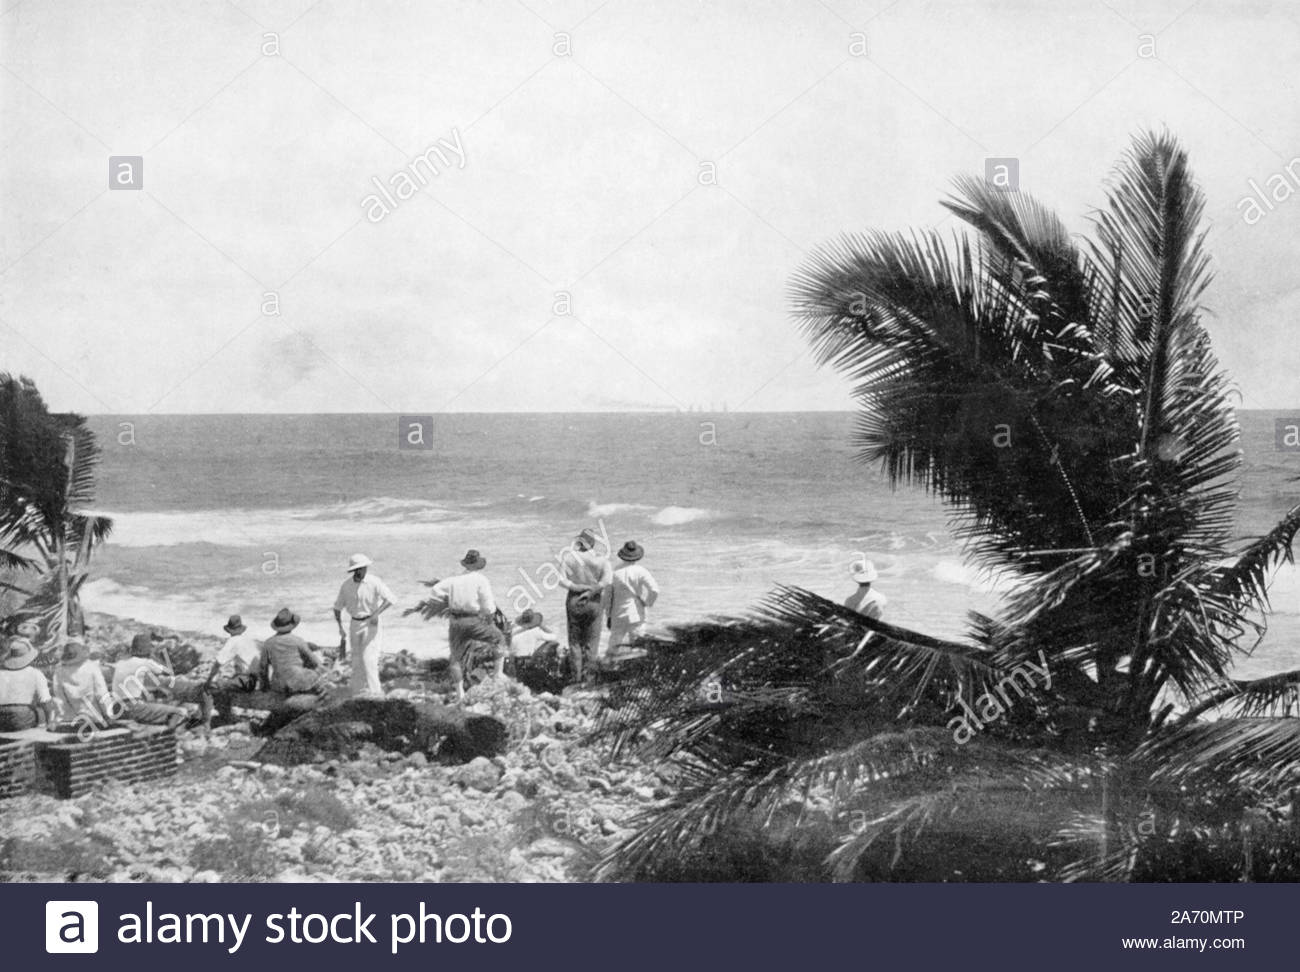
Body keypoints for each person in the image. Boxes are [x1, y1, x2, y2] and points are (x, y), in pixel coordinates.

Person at [429, 549, 503, 702]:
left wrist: (448, 598)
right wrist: (488, 615)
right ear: (477, 565)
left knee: (455, 658)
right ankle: (498, 675)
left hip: (456, 621)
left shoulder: (453, 580)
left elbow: (435, 590)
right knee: (499, 639)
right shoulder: (480, 579)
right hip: (473, 619)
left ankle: (460, 693)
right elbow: (489, 607)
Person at [256, 608, 330, 734]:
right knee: (320, 679)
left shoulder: (268, 643)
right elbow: (315, 663)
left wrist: (264, 686)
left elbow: (262, 669)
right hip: (300, 680)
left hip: (279, 685)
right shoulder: (297, 640)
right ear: (292, 626)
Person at [333, 553, 396, 699]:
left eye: (364, 567)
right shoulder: (346, 585)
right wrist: (340, 627)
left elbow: (391, 599)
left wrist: (376, 613)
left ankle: (376, 693)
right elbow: (337, 607)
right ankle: (356, 693)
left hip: (371, 623)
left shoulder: (374, 582)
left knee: (369, 659)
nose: (363, 570)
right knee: (356, 660)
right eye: (360, 568)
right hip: (354, 623)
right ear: (355, 570)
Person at [558, 527, 612, 681]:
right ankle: (589, 679)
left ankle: (576, 678)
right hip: (594, 600)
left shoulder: (568, 557)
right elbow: (606, 581)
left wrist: (577, 587)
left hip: (574, 599)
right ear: (593, 543)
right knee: (592, 643)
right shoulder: (601, 559)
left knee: (575, 642)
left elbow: (561, 580)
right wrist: (592, 590)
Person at [109, 634, 193, 729]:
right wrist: (153, 655)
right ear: (148, 650)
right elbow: (169, 672)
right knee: (180, 712)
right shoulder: (146, 662)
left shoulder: (121, 663)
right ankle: (166, 738)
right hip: (133, 708)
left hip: (116, 708)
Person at [605, 541, 660, 660]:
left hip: (617, 613)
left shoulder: (615, 571)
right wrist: (647, 603)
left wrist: (608, 615)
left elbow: (608, 595)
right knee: (638, 646)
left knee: (614, 644)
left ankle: (608, 668)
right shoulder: (641, 571)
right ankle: (635, 670)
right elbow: (655, 590)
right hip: (636, 613)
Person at [208, 614, 263, 727]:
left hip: (245, 679)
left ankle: (226, 715)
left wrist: (209, 679)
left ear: (229, 630)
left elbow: (219, 662)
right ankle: (228, 713)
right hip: (255, 679)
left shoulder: (233, 641)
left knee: (216, 686)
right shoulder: (248, 640)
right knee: (228, 682)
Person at [52, 639, 110, 729]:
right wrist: (109, 715)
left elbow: (59, 697)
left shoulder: (59, 671)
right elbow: (101, 694)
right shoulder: (92, 667)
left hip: (69, 721)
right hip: (93, 719)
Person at [0, 637, 55, 730]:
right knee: (40, 712)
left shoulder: (1, 673)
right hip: (23, 717)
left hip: (1, 716)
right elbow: (45, 701)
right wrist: (50, 721)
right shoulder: (35, 673)